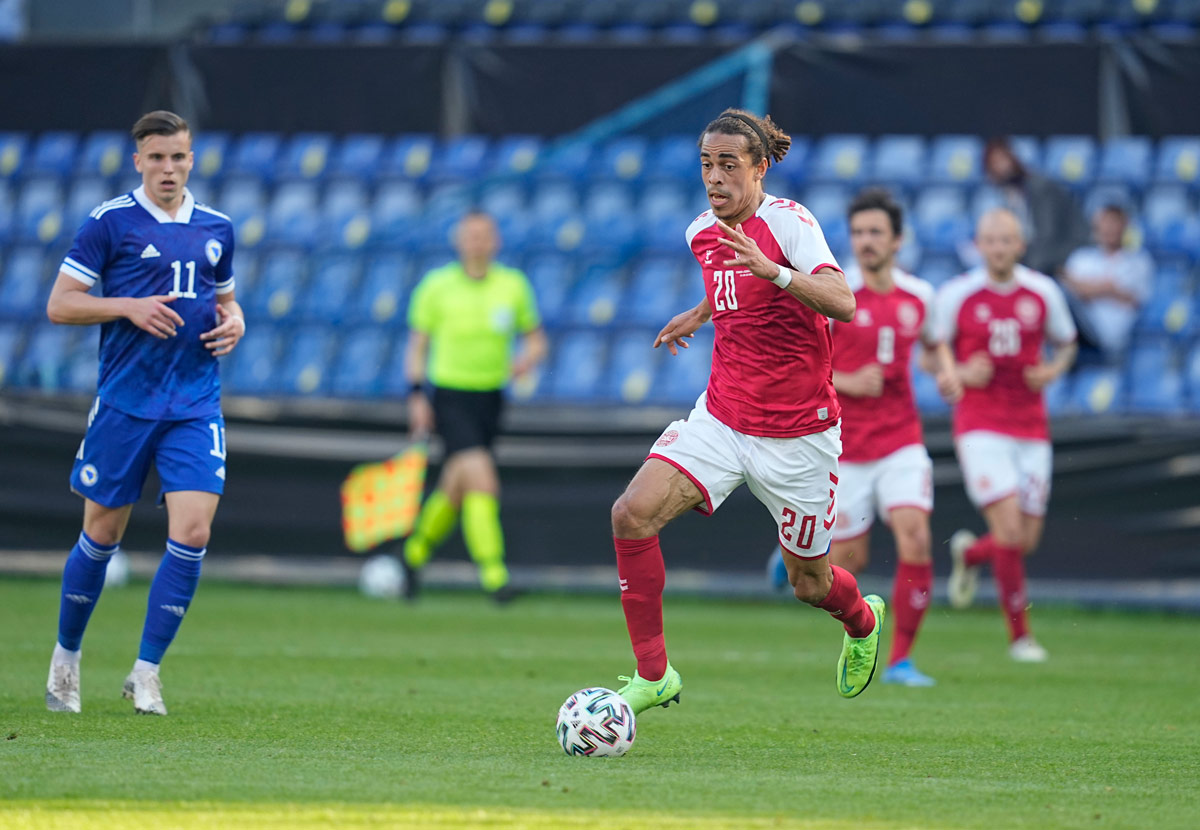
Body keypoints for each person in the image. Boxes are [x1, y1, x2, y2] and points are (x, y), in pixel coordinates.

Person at [609, 108, 885, 717]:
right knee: (631, 515)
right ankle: (654, 675)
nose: (715, 177)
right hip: (723, 418)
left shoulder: (789, 224)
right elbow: (730, 282)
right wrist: (703, 311)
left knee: (809, 584)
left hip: (800, 436)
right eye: (707, 164)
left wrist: (776, 272)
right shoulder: (700, 232)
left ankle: (863, 622)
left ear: (760, 168)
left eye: (729, 165)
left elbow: (843, 301)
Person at [43, 110, 244, 715]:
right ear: (138, 160)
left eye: (178, 157)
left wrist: (236, 324)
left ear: (191, 159)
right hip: (127, 402)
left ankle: (146, 671)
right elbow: (60, 305)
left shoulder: (217, 227)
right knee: (102, 534)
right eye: (156, 157)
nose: (168, 168)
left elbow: (229, 304)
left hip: (194, 402)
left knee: (193, 533)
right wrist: (127, 306)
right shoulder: (110, 223)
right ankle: (66, 660)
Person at [827, 188, 962, 687]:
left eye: (875, 232)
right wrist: (847, 381)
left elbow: (933, 345)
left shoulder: (919, 296)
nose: (865, 241)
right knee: (848, 561)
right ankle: (791, 559)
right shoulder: (834, 292)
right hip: (846, 447)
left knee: (916, 537)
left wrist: (946, 373)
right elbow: (806, 364)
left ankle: (901, 659)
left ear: (897, 240)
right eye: (858, 232)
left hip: (901, 440)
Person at [937, 208, 1077, 663]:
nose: (998, 248)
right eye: (990, 240)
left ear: (1020, 245)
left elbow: (1068, 341)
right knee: (1011, 531)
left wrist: (1052, 369)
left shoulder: (1042, 291)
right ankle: (1021, 638)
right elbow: (929, 355)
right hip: (980, 426)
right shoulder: (958, 294)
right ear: (978, 245)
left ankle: (971, 555)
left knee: (1024, 540)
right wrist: (957, 370)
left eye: (1006, 240)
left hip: (1031, 426)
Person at [401, 210, 547, 603]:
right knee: (482, 481)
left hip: (491, 398)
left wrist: (525, 361)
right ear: (459, 241)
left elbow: (536, 340)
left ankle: (412, 556)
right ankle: (495, 576)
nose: (477, 242)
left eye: (484, 235)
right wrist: (417, 395)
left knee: (455, 486)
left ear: (495, 241)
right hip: (450, 395)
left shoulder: (513, 286)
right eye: (471, 235)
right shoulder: (437, 286)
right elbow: (417, 344)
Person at [981, 137, 1089, 279]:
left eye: (1003, 160)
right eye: (995, 163)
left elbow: (1047, 235)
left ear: (1013, 160)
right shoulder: (1003, 196)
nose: (1002, 167)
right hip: (1028, 256)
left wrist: (1023, 263)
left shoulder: (1040, 187)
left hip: (1064, 251)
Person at [1061, 203, 1154, 363]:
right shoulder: (1081, 258)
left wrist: (1086, 287)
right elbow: (1070, 288)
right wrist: (1107, 289)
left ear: (1125, 227)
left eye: (1114, 223)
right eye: (1105, 223)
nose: (1109, 229)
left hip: (1113, 334)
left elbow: (1135, 299)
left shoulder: (1139, 261)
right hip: (1079, 329)